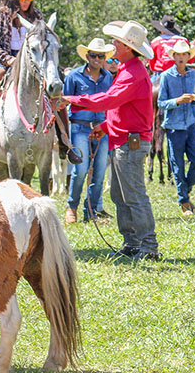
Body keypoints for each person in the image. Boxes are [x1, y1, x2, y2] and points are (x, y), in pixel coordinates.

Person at [62, 20, 159, 260]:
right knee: (120, 194)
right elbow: (123, 108)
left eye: (118, 42)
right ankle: (133, 242)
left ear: (128, 47)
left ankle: (148, 246)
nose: (113, 45)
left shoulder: (132, 73)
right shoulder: (129, 70)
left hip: (129, 143)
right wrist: (106, 127)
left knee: (133, 195)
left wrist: (71, 99)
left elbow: (107, 101)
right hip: (124, 140)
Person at [0, 0, 80, 164]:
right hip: (6, 61)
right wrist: (9, 60)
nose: (27, 1)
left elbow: (44, 42)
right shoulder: (0, 15)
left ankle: (64, 143)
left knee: (56, 93)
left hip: (34, 63)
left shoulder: (37, 16)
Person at [63, 37, 115, 224]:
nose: (97, 59)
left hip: (101, 127)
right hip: (80, 127)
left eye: (101, 56)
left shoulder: (108, 77)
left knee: (100, 171)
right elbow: (65, 101)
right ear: (87, 56)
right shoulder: (73, 77)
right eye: (93, 55)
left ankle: (91, 209)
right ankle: (72, 206)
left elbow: (110, 103)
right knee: (81, 169)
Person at [157, 39, 195, 215]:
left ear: (188, 56)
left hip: (189, 124)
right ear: (174, 56)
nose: (180, 57)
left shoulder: (192, 74)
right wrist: (177, 101)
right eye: (177, 54)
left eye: (184, 54)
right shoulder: (166, 76)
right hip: (173, 126)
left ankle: (185, 190)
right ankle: (184, 201)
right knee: (177, 165)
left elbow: (190, 98)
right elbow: (161, 103)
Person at [149, 15, 195, 79]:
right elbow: (190, 59)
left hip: (160, 74)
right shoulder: (183, 40)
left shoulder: (155, 42)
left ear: (161, 29)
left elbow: (151, 64)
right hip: (178, 74)